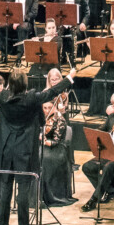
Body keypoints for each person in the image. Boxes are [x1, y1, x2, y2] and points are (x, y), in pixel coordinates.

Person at [0, 64, 76, 225]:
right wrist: (69, 77)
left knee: (5, 189)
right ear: (24, 83)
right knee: (23, 190)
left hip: (6, 150)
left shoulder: (3, 96)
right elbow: (52, 92)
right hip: (25, 151)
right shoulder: (32, 98)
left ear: (11, 84)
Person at [40, 73, 76, 207]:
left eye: (49, 108)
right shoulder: (41, 118)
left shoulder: (59, 120)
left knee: (44, 159)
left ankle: (49, 195)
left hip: (56, 149)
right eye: (44, 108)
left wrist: (45, 141)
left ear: (54, 107)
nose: (47, 111)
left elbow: (56, 141)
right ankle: (36, 195)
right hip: (44, 146)